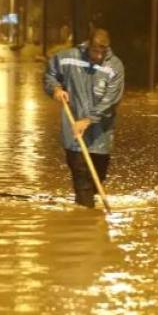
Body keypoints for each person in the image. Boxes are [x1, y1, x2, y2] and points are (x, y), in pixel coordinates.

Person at [44, 28, 125, 208]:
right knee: (82, 179)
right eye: (95, 51)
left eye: (103, 52)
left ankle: (88, 208)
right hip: (74, 132)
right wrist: (56, 89)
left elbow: (111, 100)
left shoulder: (114, 67)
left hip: (101, 134)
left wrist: (88, 120)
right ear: (88, 45)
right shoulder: (68, 58)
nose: (98, 56)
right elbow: (50, 74)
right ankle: (85, 220)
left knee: (97, 178)